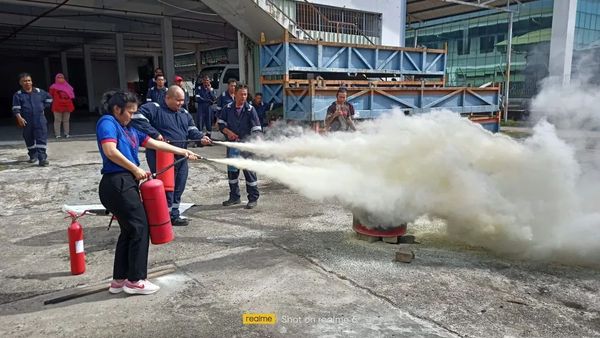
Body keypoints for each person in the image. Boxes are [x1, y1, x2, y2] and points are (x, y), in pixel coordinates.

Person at [97, 90, 199, 295]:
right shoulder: (108, 122)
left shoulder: (130, 129)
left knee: (129, 230)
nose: (132, 117)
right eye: (130, 112)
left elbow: (155, 143)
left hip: (125, 184)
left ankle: (119, 280)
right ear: (117, 110)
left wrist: (183, 151)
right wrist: (135, 169)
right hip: (117, 183)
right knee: (140, 227)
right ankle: (135, 280)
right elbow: (110, 150)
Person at [131, 86, 212, 226]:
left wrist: (201, 137)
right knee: (166, 188)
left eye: (182, 100)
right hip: (162, 157)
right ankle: (164, 217)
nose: (180, 103)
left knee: (179, 185)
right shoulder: (155, 108)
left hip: (181, 156)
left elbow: (191, 129)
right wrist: (155, 134)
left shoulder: (184, 113)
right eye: (178, 100)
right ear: (167, 98)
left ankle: (174, 215)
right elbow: (136, 117)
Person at [218, 84, 262, 209]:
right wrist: (228, 132)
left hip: (246, 147)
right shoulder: (227, 108)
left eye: (245, 94)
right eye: (241, 94)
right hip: (232, 147)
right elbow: (221, 124)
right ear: (235, 94)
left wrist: (255, 140)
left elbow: (257, 128)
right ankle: (234, 197)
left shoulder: (250, 110)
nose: (244, 97)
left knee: (249, 173)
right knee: (232, 174)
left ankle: (253, 198)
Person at [12, 73, 52, 166]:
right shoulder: (18, 95)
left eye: (29, 80)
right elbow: (15, 108)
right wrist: (19, 118)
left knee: (41, 138)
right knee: (28, 138)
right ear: (20, 83)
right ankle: (33, 155)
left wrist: (44, 107)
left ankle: (42, 158)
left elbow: (49, 98)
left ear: (32, 81)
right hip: (26, 120)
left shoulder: (39, 92)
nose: (27, 82)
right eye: (24, 81)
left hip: (40, 119)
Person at [49, 73, 75, 139]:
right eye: (58, 77)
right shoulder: (53, 87)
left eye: (62, 77)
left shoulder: (68, 87)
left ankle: (67, 133)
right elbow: (50, 95)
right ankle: (57, 134)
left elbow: (71, 96)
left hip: (67, 105)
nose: (60, 79)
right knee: (57, 120)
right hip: (57, 106)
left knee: (66, 120)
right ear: (56, 79)